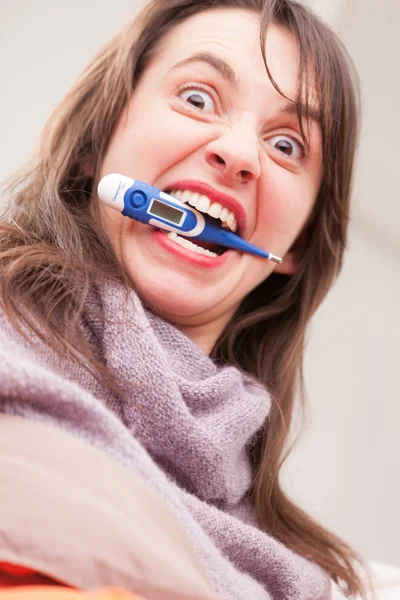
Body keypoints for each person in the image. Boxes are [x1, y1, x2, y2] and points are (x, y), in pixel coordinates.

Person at [0, 0, 373, 598]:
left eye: (287, 145)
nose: (241, 154)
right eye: (197, 98)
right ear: (98, 140)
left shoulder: (303, 574)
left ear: (297, 244)